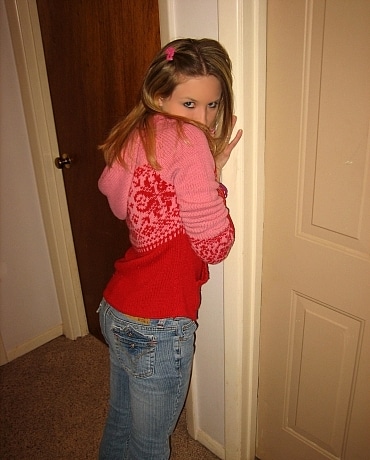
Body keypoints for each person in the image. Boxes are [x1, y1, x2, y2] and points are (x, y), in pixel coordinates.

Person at [97, 38, 242, 460]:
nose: (205, 118)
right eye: (191, 104)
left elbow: (114, 192)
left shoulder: (140, 132)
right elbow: (215, 246)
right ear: (159, 95)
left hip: (117, 306)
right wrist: (212, 179)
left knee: (121, 418)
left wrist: (204, 173)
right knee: (149, 444)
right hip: (158, 324)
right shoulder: (188, 141)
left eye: (213, 105)